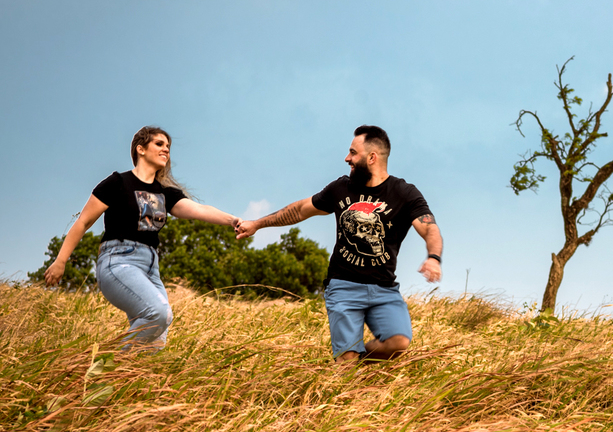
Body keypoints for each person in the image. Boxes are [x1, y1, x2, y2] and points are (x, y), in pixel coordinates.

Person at [236, 125, 442, 363]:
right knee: (346, 363)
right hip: (343, 286)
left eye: (353, 153)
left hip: (383, 288)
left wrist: (433, 257)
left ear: (372, 157)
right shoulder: (340, 188)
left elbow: (429, 228)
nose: (347, 158)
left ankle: (362, 364)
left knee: (398, 343)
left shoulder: (404, 193)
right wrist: (258, 224)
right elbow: (300, 210)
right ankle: (350, 368)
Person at [45, 126, 241, 351]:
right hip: (118, 261)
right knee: (158, 313)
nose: (166, 149)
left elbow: (199, 210)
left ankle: (116, 379)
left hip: (151, 268)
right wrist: (61, 261)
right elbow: (83, 222)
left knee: (156, 340)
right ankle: (101, 363)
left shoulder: (165, 192)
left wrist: (233, 220)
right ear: (141, 149)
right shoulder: (118, 182)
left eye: (168, 146)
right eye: (159, 144)